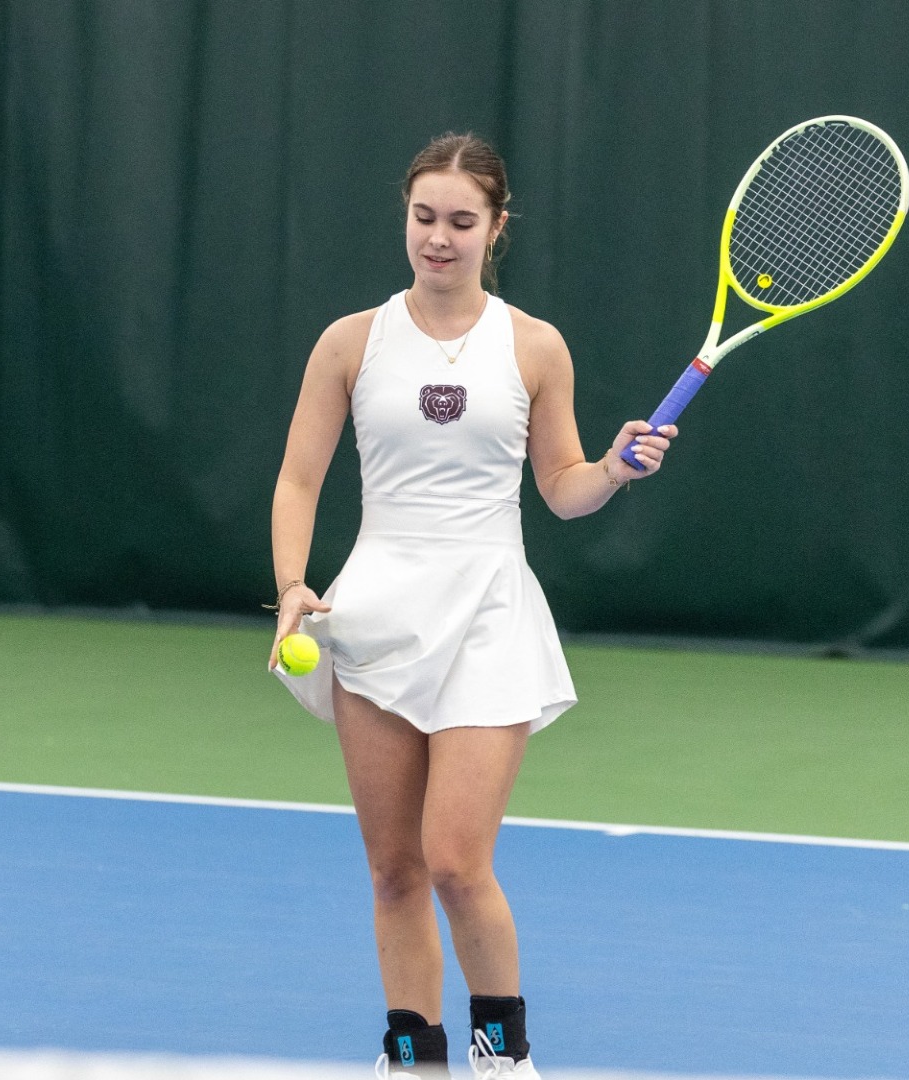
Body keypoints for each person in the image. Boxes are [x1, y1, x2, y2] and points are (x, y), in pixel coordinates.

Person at [268, 133, 676, 1079]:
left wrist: (614, 469)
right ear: (405, 218)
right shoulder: (351, 342)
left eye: (460, 221)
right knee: (393, 869)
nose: (438, 239)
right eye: (423, 218)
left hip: (490, 614)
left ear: (496, 227)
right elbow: (298, 479)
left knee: (455, 859)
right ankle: (411, 1056)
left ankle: (504, 1056)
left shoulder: (535, 346)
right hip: (371, 617)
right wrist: (294, 584)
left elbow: (563, 487)